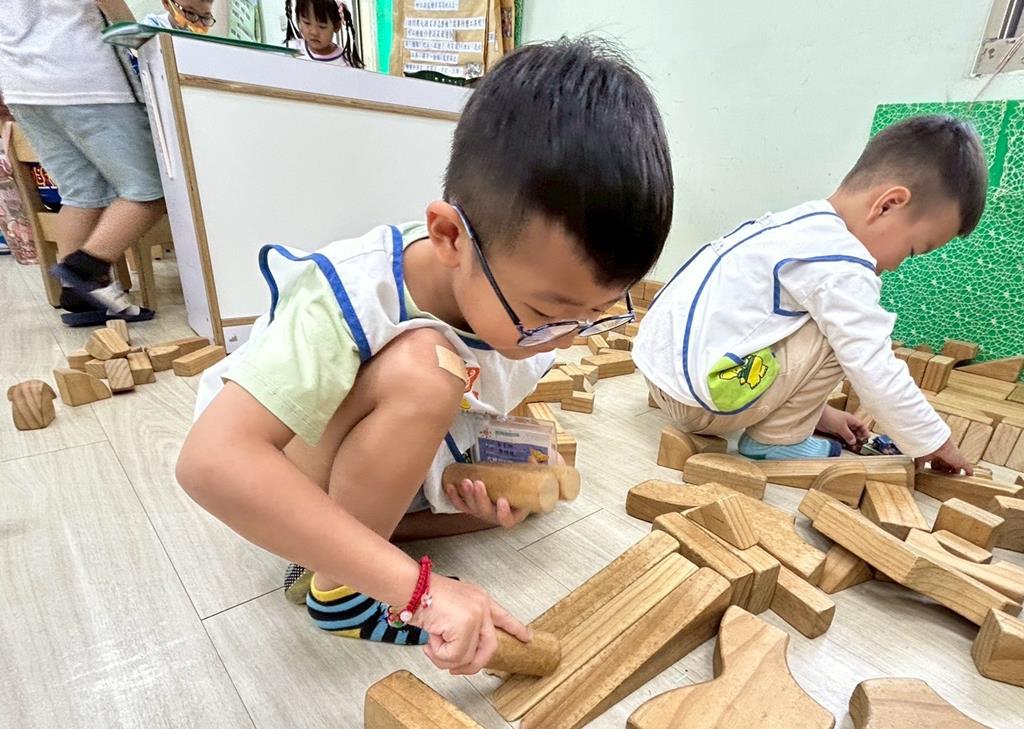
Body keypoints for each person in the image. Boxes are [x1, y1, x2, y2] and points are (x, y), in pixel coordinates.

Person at [176, 37, 672, 674]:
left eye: (596, 312)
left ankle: (354, 548)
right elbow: (211, 461)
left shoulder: (522, 306)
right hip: (280, 464)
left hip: (375, 454)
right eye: (550, 313)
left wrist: (497, 462)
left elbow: (490, 395)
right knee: (428, 368)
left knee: (534, 487)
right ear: (449, 236)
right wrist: (422, 594)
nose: (567, 338)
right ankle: (343, 591)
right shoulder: (350, 293)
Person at [635, 115, 987, 474]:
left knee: (822, 317)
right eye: (912, 250)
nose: (897, 265)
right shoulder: (843, 263)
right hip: (702, 403)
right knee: (848, 335)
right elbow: (873, 366)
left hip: (661, 376)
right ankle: (776, 440)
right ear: (887, 204)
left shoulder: (798, 225)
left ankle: (786, 421)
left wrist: (819, 413)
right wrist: (933, 440)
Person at [0, 0, 165, 325]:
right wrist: (143, 38)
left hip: (23, 85)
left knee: (81, 192)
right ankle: (84, 271)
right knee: (151, 189)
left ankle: (79, 298)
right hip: (85, 77)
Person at [286, 0, 363, 68]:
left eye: (322, 27)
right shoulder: (290, 50)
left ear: (336, 26)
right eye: (307, 23)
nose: (314, 32)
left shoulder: (347, 63)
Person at [142, 0, 217, 34]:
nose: (199, 24)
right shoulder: (151, 26)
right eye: (191, 13)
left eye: (206, 17)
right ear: (167, 3)